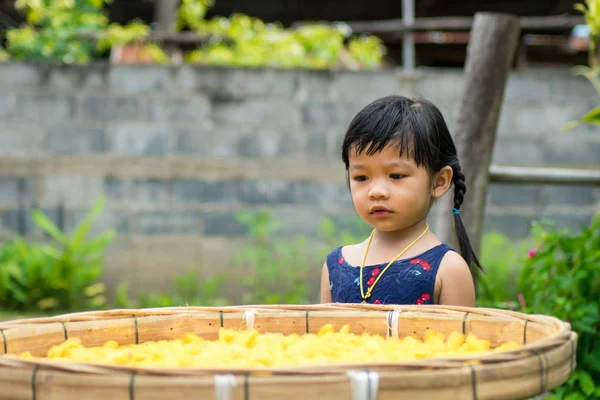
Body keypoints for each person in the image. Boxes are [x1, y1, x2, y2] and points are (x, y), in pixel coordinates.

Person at [320, 95, 480, 307]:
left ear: (439, 182)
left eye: (396, 176)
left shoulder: (448, 269)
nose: (376, 192)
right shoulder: (336, 265)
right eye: (361, 178)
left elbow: (459, 341)